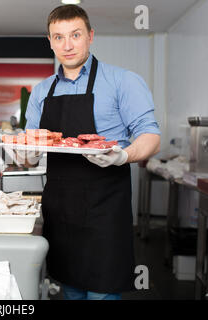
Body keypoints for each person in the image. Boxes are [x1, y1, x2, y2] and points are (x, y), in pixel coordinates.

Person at [24, 4, 161, 300]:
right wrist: (20, 151)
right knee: (71, 291)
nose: (67, 44)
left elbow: (150, 135)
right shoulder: (41, 91)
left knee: (102, 294)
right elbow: (31, 149)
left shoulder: (123, 81)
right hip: (60, 210)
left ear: (90, 36)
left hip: (105, 211)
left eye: (75, 34)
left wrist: (123, 156)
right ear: (50, 41)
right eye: (58, 37)